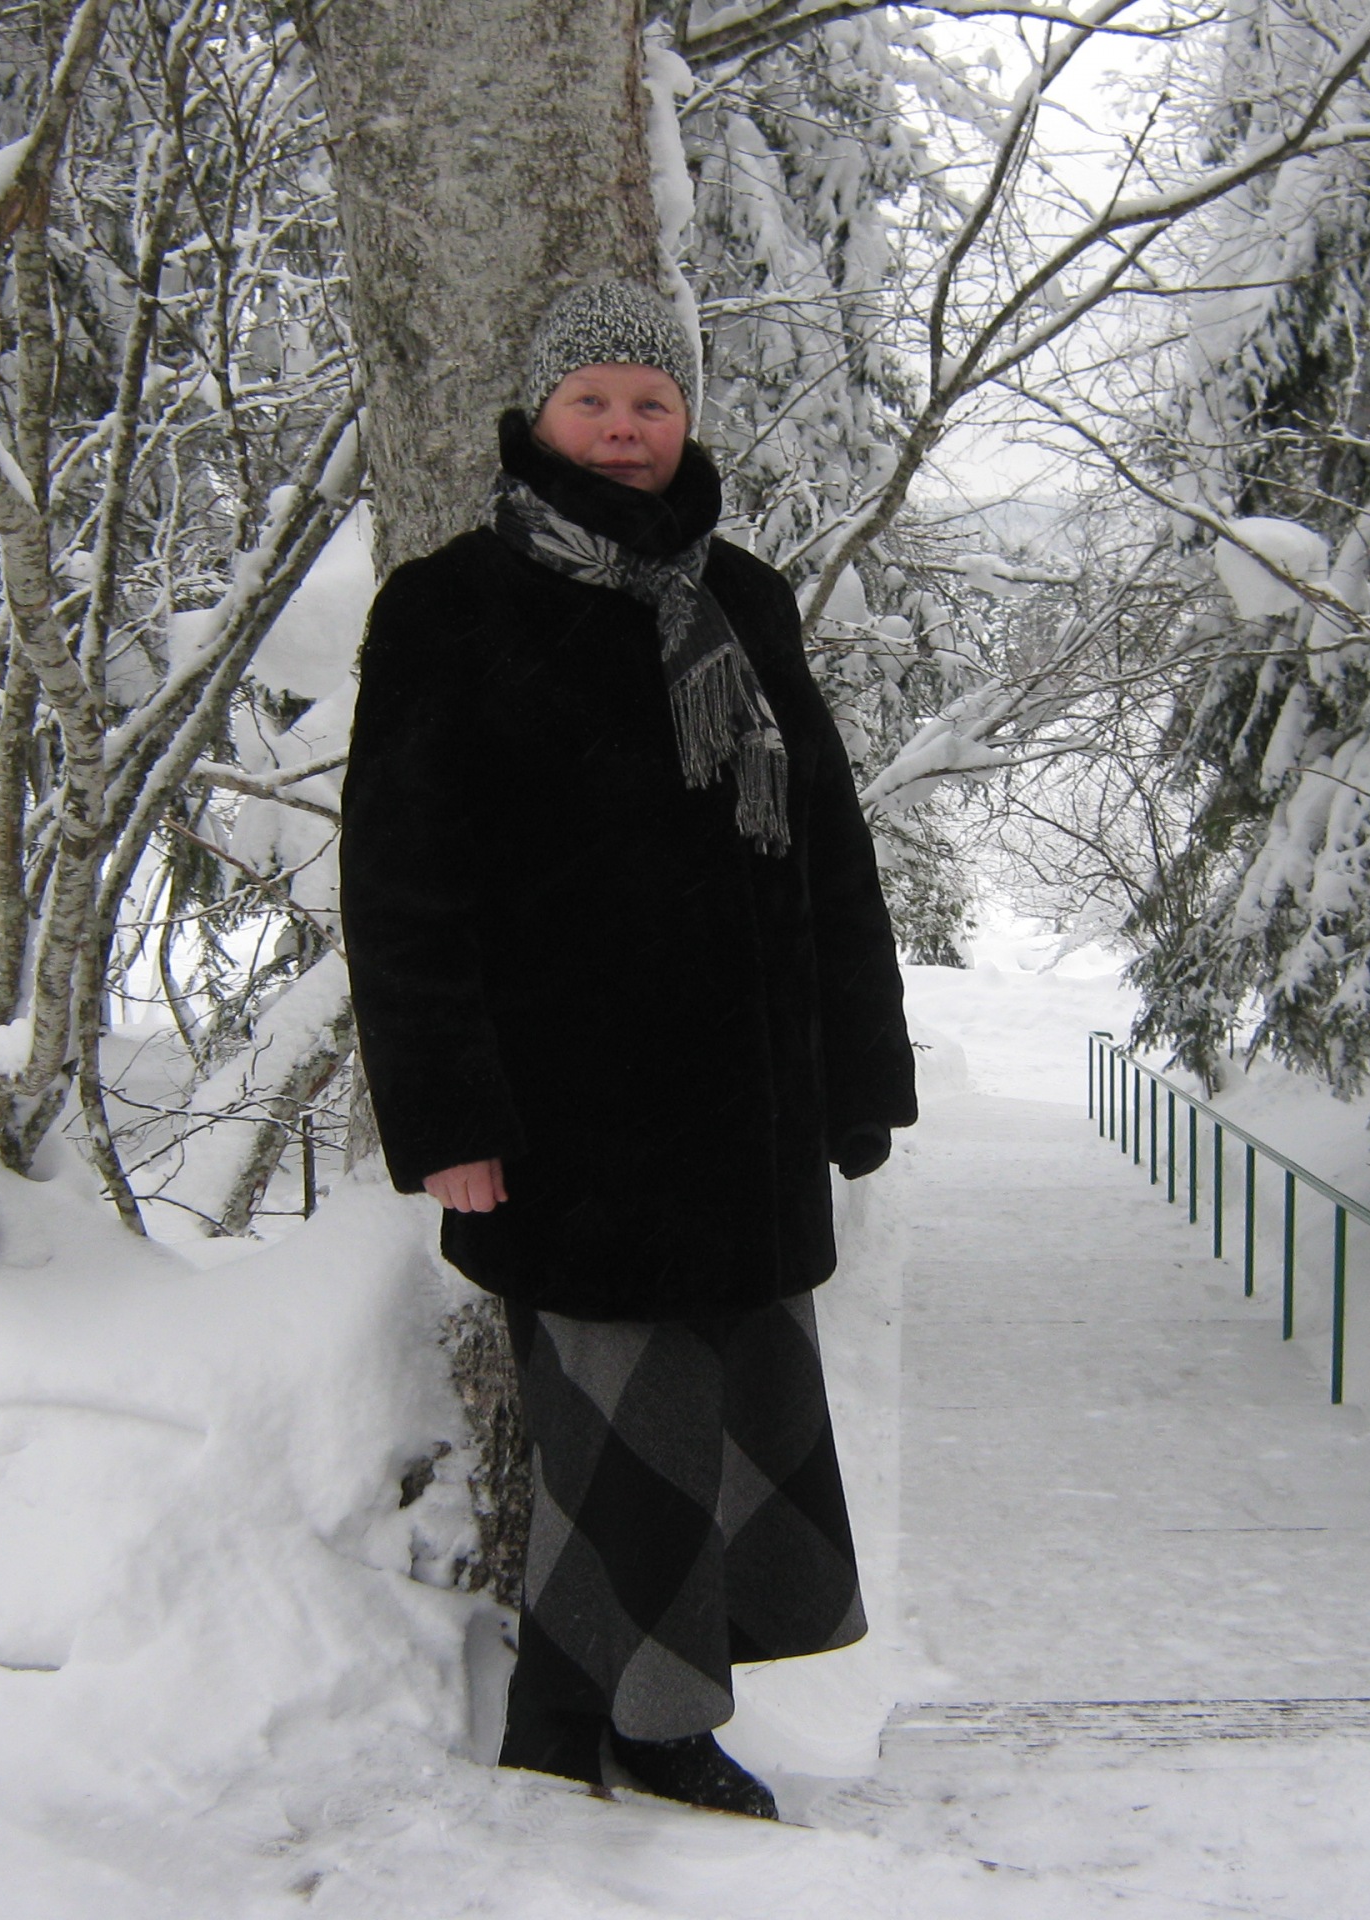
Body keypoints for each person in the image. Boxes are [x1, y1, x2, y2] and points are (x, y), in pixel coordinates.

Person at [337, 279, 918, 1821]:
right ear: (538, 418)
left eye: (650, 402)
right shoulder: (451, 608)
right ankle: (651, 1735)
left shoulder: (744, 601)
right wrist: (447, 1117)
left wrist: (860, 1075)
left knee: (714, 1440)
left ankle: (562, 1718)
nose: (622, 426)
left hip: (744, 1119)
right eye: (591, 399)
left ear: (685, 420)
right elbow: (402, 886)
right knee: (625, 1437)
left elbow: (828, 855)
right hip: (570, 1126)